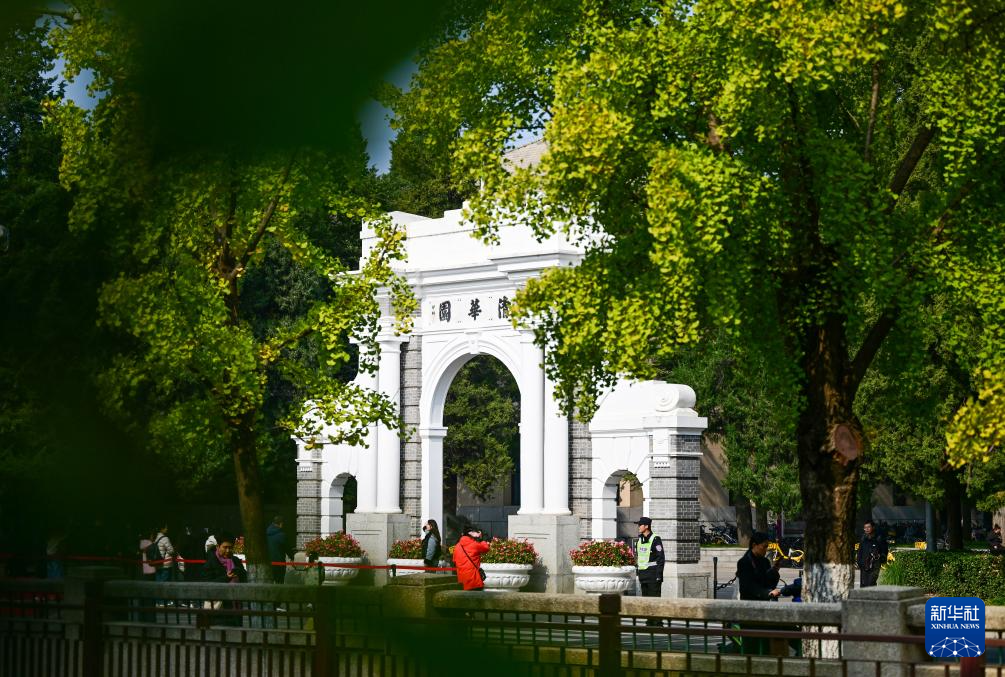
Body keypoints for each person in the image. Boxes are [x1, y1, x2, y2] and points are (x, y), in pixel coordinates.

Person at [202, 535, 248, 626]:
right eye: (225, 547)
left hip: (235, 606)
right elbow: (207, 584)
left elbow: (245, 579)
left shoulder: (235, 561)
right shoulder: (211, 562)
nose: (227, 550)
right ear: (218, 547)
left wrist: (239, 573)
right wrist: (226, 577)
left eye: (230, 548)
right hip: (218, 607)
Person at [633, 517, 666, 627]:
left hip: (653, 575)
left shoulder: (655, 539)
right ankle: (649, 621)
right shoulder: (639, 540)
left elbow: (660, 558)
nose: (639, 527)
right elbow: (639, 558)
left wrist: (659, 575)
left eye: (640, 525)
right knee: (646, 600)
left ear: (646, 526)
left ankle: (658, 622)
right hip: (643, 575)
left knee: (655, 599)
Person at [737, 531, 781, 601]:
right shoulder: (744, 562)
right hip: (749, 602)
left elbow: (769, 584)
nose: (766, 550)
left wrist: (774, 572)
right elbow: (747, 587)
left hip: (764, 601)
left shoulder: (765, 561)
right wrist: (767, 593)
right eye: (764, 547)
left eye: (767, 547)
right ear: (754, 545)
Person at [452, 526, 490, 591]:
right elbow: (486, 548)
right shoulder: (474, 544)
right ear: (471, 533)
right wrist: (482, 540)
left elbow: (454, 560)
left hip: (461, 580)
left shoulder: (457, 545)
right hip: (474, 580)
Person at [856, 520, 888, 587]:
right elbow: (860, 551)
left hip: (874, 566)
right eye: (865, 527)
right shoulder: (863, 538)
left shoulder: (879, 538)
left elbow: (884, 551)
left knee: (871, 584)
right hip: (864, 565)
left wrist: (880, 557)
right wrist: (859, 562)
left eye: (868, 527)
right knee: (863, 585)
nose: (866, 529)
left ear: (873, 527)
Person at [266, 516, 292, 584]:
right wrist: (292, 557)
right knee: (279, 583)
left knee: (269, 583)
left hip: (267, 563)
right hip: (279, 563)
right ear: (281, 524)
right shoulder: (281, 535)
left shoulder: (266, 534)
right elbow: (287, 549)